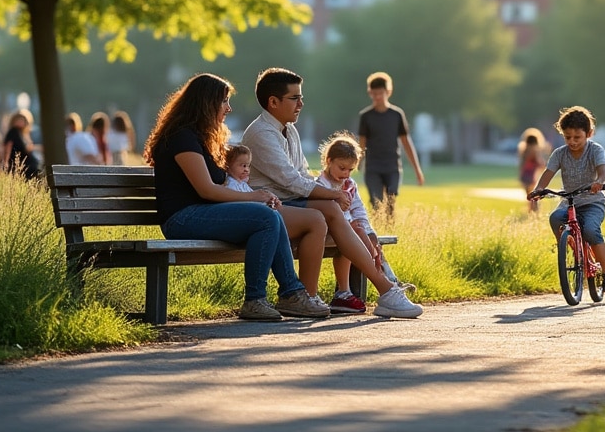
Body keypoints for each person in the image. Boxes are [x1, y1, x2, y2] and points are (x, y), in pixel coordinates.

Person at [143, 72, 329, 321]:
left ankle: (288, 294)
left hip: (203, 214)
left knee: (269, 215)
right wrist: (255, 199)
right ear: (205, 103)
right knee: (265, 217)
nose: (228, 108)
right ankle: (262, 298)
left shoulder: (200, 138)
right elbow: (206, 190)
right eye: (223, 102)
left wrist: (258, 196)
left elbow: (221, 186)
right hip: (183, 218)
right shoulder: (181, 138)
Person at [245, 67, 424, 318]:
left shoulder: (289, 130)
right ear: (273, 102)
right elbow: (290, 180)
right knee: (325, 212)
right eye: (294, 98)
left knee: (334, 216)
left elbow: (302, 174)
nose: (301, 103)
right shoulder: (262, 133)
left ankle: (310, 295)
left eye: (301, 97)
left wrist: (334, 198)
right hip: (270, 209)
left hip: (292, 203)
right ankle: (383, 289)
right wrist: (333, 194)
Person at [315, 131, 411, 314]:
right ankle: (385, 282)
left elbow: (359, 211)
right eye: (342, 168)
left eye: (350, 170)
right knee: (355, 231)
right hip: (327, 229)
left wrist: (371, 233)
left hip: (349, 231)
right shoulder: (321, 186)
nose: (346, 174)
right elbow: (326, 213)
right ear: (328, 161)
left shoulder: (349, 184)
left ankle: (348, 291)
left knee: (360, 230)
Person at [527, 106, 605, 292]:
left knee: (591, 230)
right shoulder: (560, 153)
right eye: (567, 137)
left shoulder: (595, 150)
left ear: (589, 133)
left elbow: (602, 170)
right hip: (569, 201)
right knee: (555, 218)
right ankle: (569, 246)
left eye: (577, 137)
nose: (572, 141)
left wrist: (600, 182)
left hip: (593, 201)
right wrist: (539, 189)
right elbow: (548, 173)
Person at [223, 143, 329, 299]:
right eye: (241, 165)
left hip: (256, 222)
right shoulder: (231, 185)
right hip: (246, 225)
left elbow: (254, 202)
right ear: (227, 166)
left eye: (248, 166)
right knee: (276, 222)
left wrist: (270, 202)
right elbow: (243, 206)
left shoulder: (243, 185)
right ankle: (290, 292)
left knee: (279, 219)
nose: (246, 169)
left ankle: (300, 292)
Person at [357, 71, 426, 218]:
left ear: (388, 92)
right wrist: (357, 163)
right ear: (369, 93)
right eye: (373, 94)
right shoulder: (366, 117)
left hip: (392, 167)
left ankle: (389, 231)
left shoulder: (396, 115)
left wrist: (417, 169)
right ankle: (375, 235)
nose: (377, 97)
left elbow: (406, 143)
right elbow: (362, 143)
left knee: (390, 203)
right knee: (376, 202)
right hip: (373, 167)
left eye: (380, 93)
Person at [1, 108, 41, 179]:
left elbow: (28, 147)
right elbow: (8, 146)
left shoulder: (23, 133)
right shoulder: (13, 131)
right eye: (18, 120)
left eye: (22, 120)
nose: (20, 122)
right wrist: (5, 162)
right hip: (22, 165)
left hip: (26, 165)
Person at [517, 127, 549, 213]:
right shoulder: (534, 150)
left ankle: (530, 210)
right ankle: (535, 211)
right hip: (532, 175)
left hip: (525, 174)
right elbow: (540, 163)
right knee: (534, 195)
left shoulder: (524, 150)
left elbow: (522, 164)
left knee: (528, 194)